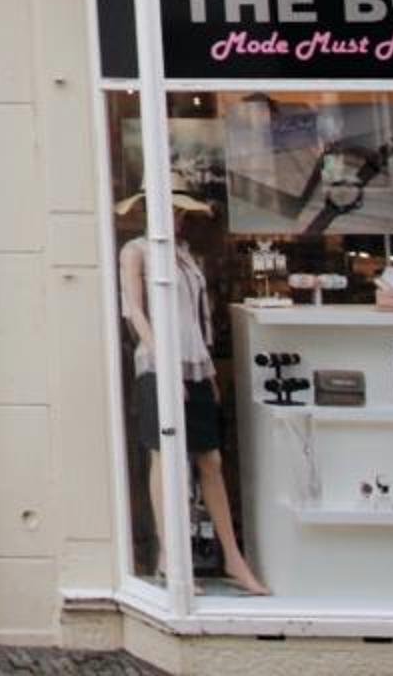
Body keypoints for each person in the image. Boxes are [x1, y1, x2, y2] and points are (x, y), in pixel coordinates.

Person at [119, 190, 268, 595]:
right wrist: (161, 359)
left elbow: (199, 315)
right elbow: (134, 310)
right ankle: (170, 554)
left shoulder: (185, 256)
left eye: (180, 211)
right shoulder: (136, 252)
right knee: (163, 455)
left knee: (210, 459)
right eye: (169, 210)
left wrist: (209, 368)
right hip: (158, 365)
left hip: (195, 362)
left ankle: (233, 557)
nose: (176, 218)